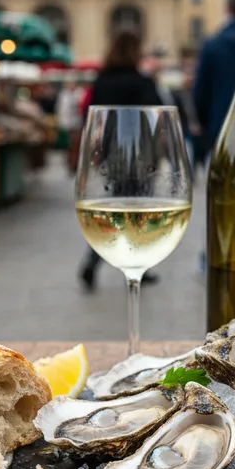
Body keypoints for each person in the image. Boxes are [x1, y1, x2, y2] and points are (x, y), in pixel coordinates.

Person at [78, 30, 162, 292]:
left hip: (112, 153)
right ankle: (132, 265)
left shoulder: (102, 80)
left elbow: (91, 117)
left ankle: (97, 263)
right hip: (140, 155)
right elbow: (157, 118)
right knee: (136, 214)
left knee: (115, 211)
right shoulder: (142, 81)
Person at [193, 0, 235, 170]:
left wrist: (207, 129)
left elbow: (200, 93)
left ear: (228, 9)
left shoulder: (213, 45)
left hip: (220, 130)